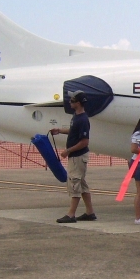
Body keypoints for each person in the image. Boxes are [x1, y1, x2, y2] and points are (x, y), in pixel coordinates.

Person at [50, 91, 96, 224]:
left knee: (74, 184)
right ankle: (90, 212)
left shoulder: (82, 119)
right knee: (82, 184)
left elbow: (84, 141)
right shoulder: (76, 117)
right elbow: (73, 131)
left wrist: (68, 151)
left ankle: (71, 214)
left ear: (79, 103)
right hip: (75, 156)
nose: (70, 102)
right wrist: (60, 131)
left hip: (78, 156)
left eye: (73, 101)